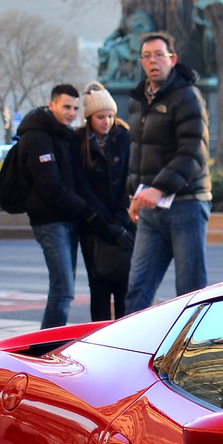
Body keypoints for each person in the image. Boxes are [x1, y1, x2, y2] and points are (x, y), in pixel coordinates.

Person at [18, 84, 127, 329]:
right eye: (66, 106)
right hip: (51, 221)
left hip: (70, 220)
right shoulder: (39, 137)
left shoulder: (64, 134)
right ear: (52, 106)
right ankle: (43, 348)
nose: (70, 112)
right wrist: (89, 212)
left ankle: (47, 345)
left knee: (65, 287)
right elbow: (52, 187)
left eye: (75, 108)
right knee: (64, 289)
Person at [124, 32, 212, 312]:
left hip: (186, 204)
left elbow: (193, 153)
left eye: (159, 55)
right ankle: (131, 352)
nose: (153, 61)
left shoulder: (187, 96)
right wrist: (135, 195)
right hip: (150, 209)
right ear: (141, 62)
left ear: (172, 60)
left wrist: (158, 188)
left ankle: (195, 353)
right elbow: (139, 154)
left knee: (191, 292)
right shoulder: (138, 100)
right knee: (137, 289)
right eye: (147, 56)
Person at [74, 82, 134, 321]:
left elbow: (129, 178)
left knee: (124, 285)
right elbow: (82, 186)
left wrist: (120, 220)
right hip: (94, 226)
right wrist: (105, 224)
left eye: (110, 116)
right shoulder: (79, 142)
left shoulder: (123, 136)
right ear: (90, 117)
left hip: (124, 222)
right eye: (101, 116)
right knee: (98, 287)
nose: (106, 121)